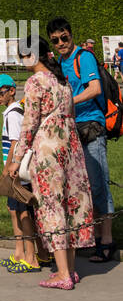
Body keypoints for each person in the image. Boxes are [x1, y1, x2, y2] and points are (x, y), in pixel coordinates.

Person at [10, 37, 94, 288]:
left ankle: (62, 274)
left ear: (30, 56)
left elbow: (29, 125)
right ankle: (71, 269)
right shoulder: (62, 80)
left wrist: (16, 160)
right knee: (72, 206)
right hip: (71, 148)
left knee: (52, 207)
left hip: (48, 151)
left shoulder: (35, 82)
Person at [47, 16, 115, 264]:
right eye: (56, 40)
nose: (61, 42)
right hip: (71, 128)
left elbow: (94, 88)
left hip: (91, 126)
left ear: (71, 34)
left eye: (64, 37)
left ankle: (106, 240)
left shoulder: (82, 57)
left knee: (98, 184)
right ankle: (92, 236)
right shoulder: (59, 62)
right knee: (79, 187)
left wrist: (67, 103)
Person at [0, 73, 41, 272]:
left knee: (23, 212)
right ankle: (20, 252)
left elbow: (16, 143)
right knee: (14, 211)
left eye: (0, 93)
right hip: (13, 169)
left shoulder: (14, 113)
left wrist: (8, 168)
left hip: (15, 170)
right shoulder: (10, 112)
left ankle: (31, 256)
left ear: (11, 90)